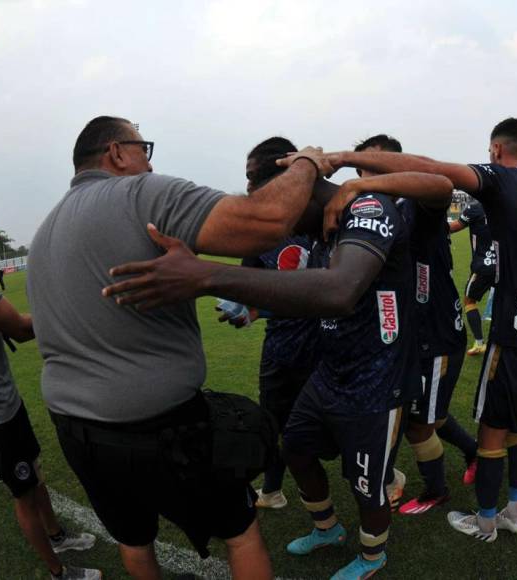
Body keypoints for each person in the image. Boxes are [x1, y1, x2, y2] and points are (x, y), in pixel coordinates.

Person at [102, 167, 453, 579]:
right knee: (295, 451)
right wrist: (256, 309)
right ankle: (327, 529)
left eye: (281, 211)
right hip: (331, 373)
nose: (280, 225)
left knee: (367, 486)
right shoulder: (326, 226)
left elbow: (338, 292)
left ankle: (373, 556)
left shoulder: (368, 206)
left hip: (375, 383)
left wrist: (207, 275)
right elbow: (310, 296)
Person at [27, 116, 332, 579]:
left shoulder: (44, 231)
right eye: (143, 148)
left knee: (134, 540)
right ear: (117, 153)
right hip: (160, 425)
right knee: (240, 530)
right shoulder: (140, 194)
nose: (149, 162)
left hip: (75, 428)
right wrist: (309, 160)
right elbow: (267, 222)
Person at [316, 117, 517, 542]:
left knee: (487, 428)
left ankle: (485, 520)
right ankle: (516, 508)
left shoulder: (490, 181)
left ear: (496, 150)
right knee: (514, 427)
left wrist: (345, 163)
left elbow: (436, 172)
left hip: (500, 331)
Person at [0, 188, 99, 580]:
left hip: (3, 399)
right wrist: (67, 305)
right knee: (23, 493)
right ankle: (58, 572)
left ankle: (58, 536)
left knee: (34, 472)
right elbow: (18, 328)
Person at [347, 135, 479, 515]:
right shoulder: (375, 211)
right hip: (409, 335)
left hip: (436, 334)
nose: (369, 175)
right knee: (421, 414)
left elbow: (441, 186)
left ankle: (436, 490)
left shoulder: (416, 204)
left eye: (378, 166)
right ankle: (472, 451)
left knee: (421, 424)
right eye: (362, 169)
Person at [238, 136, 321, 510]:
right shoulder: (255, 233)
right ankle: (272, 489)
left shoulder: (321, 215)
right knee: (273, 424)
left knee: (336, 425)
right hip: (282, 350)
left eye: (254, 177)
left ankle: (382, 478)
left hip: (327, 346)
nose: (248, 187)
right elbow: (249, 292)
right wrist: (248, 309)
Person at [448, 200, 496, 356]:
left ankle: (480, 343)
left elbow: (455, 226)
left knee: (469, 301)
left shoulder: (475, 207)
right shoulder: (503, 204)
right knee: (503, 302)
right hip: (503, 263)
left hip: (483, 265)